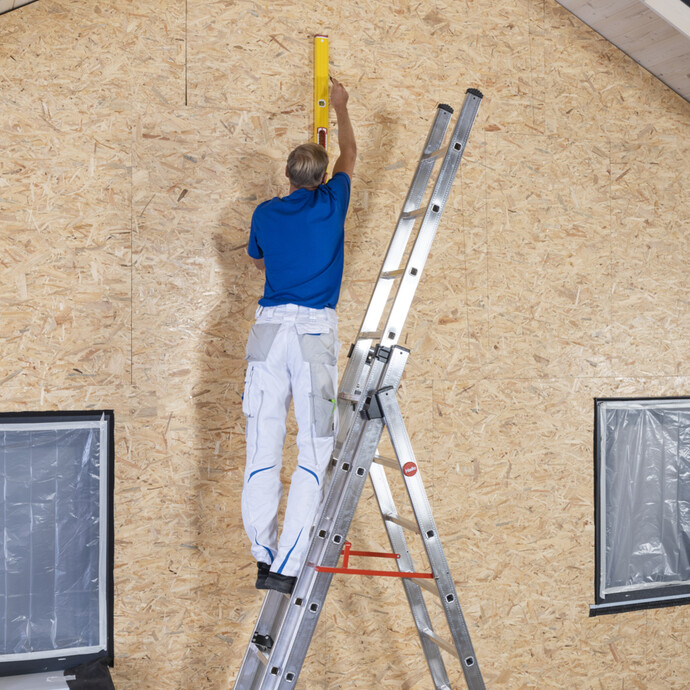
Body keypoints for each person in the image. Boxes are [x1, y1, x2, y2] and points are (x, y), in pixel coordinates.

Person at [241, 78, 356, 594]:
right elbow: (349, 152)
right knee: (313, 445)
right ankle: (287, 565)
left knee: (261, 442)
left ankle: (263, 555)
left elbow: (258, 256)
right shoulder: (333, 201)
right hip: (312, 334)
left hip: (268, 330)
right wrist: (340, 108)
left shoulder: (266, 211)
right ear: (323, 177)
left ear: (286, 176)